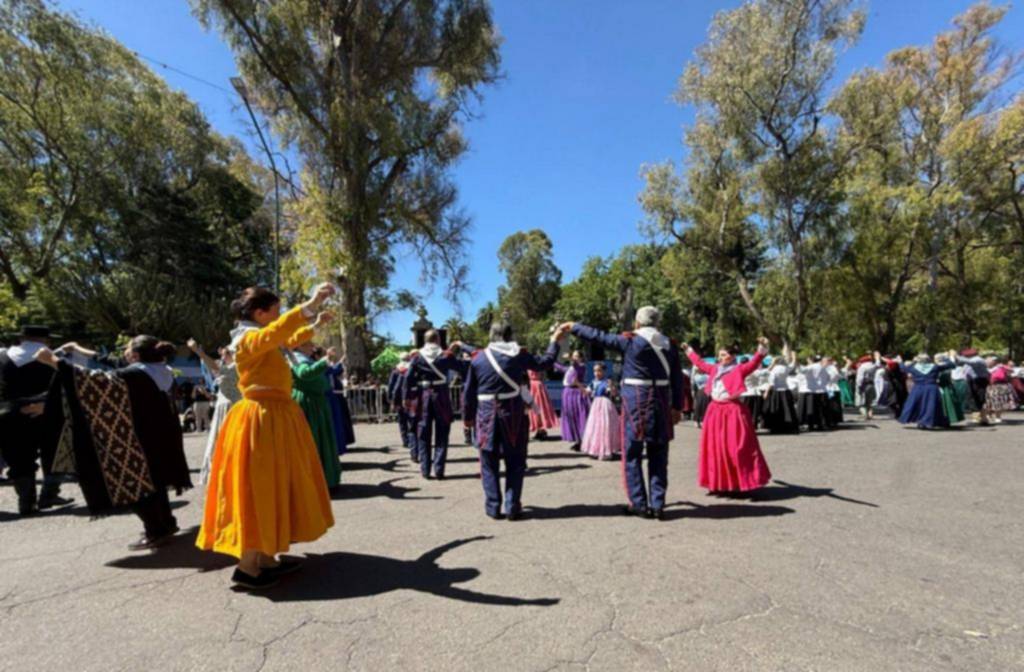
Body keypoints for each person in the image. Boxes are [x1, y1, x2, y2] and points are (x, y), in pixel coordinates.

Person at [197, 284, 336, 590]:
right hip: (260, 420)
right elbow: (275, 335)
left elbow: (288, 338)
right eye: (274, 311)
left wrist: (315, 324)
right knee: (259, 487)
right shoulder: (247, 338)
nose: (278, 316)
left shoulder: (259, 337)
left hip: (274, 417)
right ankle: (247, 567)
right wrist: (310, 303)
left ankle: (267, 557)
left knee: (276, 484)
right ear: (259, 313)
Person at [42, 336, 191, 549]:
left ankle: (155, 530)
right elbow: (110, 361)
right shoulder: (160, 370)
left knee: (137, 483)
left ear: (135, 355)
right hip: (163, 436)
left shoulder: (134, 374)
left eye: (127, 349)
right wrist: (78, 348)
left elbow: (94, 379)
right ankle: (166, 523)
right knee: (156, 481)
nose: (123, 353)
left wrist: (55, 362)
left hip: (139, 438)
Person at [563, 306, 684, 520]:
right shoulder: (670, 345)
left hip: (636, 402)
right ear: (658, 324)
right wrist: (677, 407)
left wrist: (574, 327)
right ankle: (657, 504)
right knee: (659, 454)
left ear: (637, 324)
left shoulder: (630, 341)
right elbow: (677, 379)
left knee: (632, 454)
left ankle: (638, 503)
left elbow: (599, 336)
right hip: (662, 402)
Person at [462, 321, 564, 520]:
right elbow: (545, 362)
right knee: (515, 460)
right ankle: (512, 506)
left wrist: (467, 418)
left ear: (491, 335)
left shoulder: (478, 358)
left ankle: (493, 506)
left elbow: (468, 392)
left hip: (486, 414)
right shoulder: (519, 355)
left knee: (488, 462)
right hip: (513, 413)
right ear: (510, 335)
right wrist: (554, 341)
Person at [0, 325, 73, 515]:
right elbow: (67, 384)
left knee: (19, 456)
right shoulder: (52, 357)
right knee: (57, 451)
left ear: (22, 338)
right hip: (48, 410)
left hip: (12, 412)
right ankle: (49, 494)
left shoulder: (3, 356)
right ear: (45, 340)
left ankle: (26, 503)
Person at [687, 337, 773, 494]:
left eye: (724, 355)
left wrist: (762, 347)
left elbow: (754, 363)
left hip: (733, 411)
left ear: (733, 356)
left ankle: (741, 482)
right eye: (719, 355)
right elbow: (700, 363)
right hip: (715, 410)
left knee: (736, 448)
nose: (720, 358)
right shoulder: (715, 369)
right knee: (715, 448)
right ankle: (719, 483)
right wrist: (689, 351)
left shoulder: (739, 369)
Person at [401, 331, 474, 480]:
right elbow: (463, 367)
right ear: (438, 340)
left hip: (423, 396)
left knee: (423, 433)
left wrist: (406, 397)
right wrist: (463, 348)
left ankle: (425, 470)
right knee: (442, 434)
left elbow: (408, 378)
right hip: (441, 395)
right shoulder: (446, 356)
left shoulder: (417, 357)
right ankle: (439, 470)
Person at [291, 330, 343, 489]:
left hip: (316, 403)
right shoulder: (298, 359)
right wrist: (324, 361)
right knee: (314, 441)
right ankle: (315, 482)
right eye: (309, 343)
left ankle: (324, 480)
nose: (313, 347)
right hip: (309, 405)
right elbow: (304, 374)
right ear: (299, 346)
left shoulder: (303, 358)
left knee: (323, 440)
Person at [189, 341, 242, 485]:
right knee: (219, 442)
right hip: (223, 407)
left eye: (227, 354)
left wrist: (199, 352)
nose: (223, 357)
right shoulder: (228, 367)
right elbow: (214, 366)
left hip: (233, 407)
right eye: (223, 354)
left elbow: (214, 365)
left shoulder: (237, 367)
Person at [896, 353, 957, 429]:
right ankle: (931, 421)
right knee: (931, 406)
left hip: (918, 388)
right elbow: (952, 365)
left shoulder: (914, 367)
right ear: (928, 359)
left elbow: (903, 368)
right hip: (931, 388)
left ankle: (922, 422)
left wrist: (900, 361)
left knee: (918, 405)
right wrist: (944, 358)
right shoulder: (935, 367)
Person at [579, 363, 621, 460]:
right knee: (596, 428)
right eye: (595, 371)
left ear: (604, 371)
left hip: (605, 405)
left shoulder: (607, 382)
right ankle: (596, 449)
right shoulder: (593, 382)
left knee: (605, 428)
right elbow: (586, 392)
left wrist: (612, 387)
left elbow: (614, 394)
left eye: (599, 370)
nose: (596, 373)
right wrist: (578, 384)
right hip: (596, 406)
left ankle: (606, 450)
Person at [555, 350, 591, 451]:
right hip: (568, 393)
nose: (574, 358)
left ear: (581, 358)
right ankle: (576, 440)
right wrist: (550, 358)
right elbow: (560, 367)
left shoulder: (581, 367)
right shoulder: (570, 368)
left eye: (576, 356)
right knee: (570, 417)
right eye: (574, 356)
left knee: (579, 416)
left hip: (576, 394)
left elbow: (576, 365)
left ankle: (582, 440)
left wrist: (570, 357)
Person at [325, 347, 356, 456]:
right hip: (331, 396)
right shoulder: (323, 365)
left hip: (336, 395)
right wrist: (339, 361)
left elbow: (335, 370)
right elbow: (333, 370)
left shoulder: (328, 366)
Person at [762, 348, 799, 434]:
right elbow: (793, 365)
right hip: (786, 390)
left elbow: (771, 382)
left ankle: (777, 427)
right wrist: (794, 357)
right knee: (788, 409)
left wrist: (767, 392)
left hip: (776, 391)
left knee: (777, 409)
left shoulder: (774, 370)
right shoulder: (786, 368)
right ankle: (789, 426)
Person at [387, 353, 416, 457]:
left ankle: (405, 440)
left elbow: (391, 386)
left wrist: (391, 400)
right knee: (410, 421)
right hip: (408, 398)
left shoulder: (396, 371)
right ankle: (411, 440)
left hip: (398, 399)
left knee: (402, 421)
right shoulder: (410, 369)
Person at [797, 356, 829, 431]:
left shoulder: (811, 367)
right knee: (820, 409)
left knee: (810, 409)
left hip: (811, 390)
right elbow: (828, 378)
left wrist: (797, 363)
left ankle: (809, 425)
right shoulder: (823, 368)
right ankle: (821, 424)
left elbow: (802, 371)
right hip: (822, 390)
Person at [527, 368, 559, 440]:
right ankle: (539, 430)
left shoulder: (534, 364)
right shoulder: (537, 365)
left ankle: (541, 430)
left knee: (540, 407)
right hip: (535, 385)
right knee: (536, 408)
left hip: (535, 386)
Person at [985, 356, 1017, 422]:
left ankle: (998, 416)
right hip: (991, 386)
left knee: (998, 402)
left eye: (992, 361)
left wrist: (1003, 367)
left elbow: (1012, 371)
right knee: (989, 402)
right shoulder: (986, 368)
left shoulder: (1000, 367)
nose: (990, 362)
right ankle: (989, 415)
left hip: (1000, 386)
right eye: (989, 361)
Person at [936, 353, 965, 425]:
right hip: (947, 386)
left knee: (946, 403)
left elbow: (952, 365)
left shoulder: (940, 366)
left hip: (943, 387)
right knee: (949, 403)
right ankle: (947, 420)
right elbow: (952, 365)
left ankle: (944, 420)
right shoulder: (946, 365)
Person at [854, 354, 879, 420]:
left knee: (861, 401)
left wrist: (859, 386)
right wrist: (877, 357)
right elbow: (878, 364)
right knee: (869, 401)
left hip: (864, 385)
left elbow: (860, 378)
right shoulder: (873, 366)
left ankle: (864, 414)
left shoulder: (862, 367)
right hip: (871, 384)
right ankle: (870, 414)